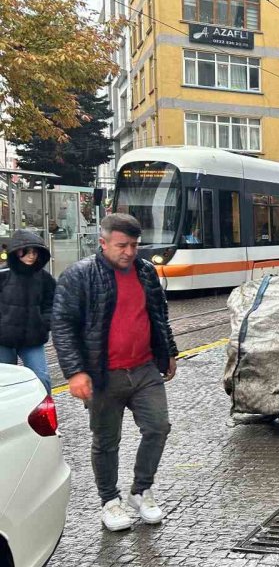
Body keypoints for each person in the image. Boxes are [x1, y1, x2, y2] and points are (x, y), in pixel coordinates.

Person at [51, 213, 178, 532]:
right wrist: (75, 372)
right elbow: (63, 325)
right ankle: (109, 500)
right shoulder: (80, 275)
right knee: (106, 440)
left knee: (158, 427)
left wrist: (170, 352)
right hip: (102, 375)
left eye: (135, 245)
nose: (129, 252)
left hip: (145, 368)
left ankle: (141, 490)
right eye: (122, 245)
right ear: (103, 243)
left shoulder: (146, 271)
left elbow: (159, 314)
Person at [0, 230, 57, 393]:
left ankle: (45, 411)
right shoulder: (3, 275)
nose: (32, 256)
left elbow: (51, 304)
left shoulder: (45, 279)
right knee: (5, 383)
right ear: (16, 251)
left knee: (41, 377)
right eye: (28, 251)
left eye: (35, 252)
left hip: (33, 339)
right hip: (3, 340)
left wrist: (43, 323)